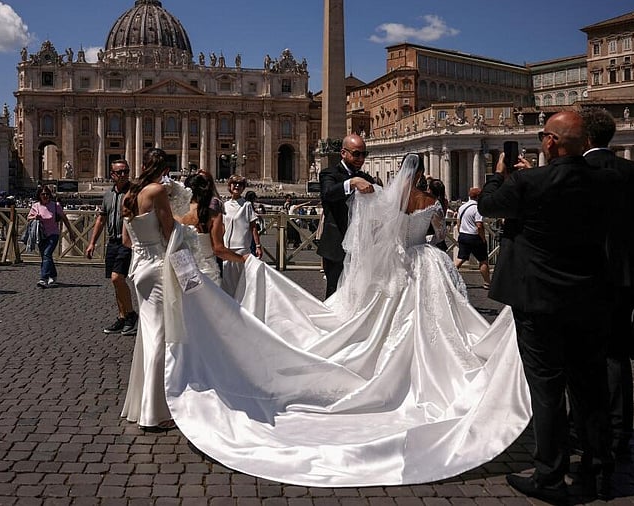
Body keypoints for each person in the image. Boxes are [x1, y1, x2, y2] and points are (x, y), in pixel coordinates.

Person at [158, 153, 529, 487]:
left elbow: (378, 236)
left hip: (400, 268)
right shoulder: (432, 202)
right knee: (441, 327)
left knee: (393, 325)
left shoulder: (391, 201)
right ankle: (432, 370)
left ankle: (394, 365)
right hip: (429, 264)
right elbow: (439, 236)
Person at [478, 111, 613, 503]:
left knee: (548, 389)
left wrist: (497, 173)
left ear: (551, 143)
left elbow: (489, 205)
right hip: (590, 297)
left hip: (539, 300)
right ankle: (599, 471)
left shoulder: (529, 181)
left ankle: (550, 476)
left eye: (543, 136)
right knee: (591, 388)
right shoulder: (607, 182)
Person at [581, 108, 634, 463]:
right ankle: (619, 432)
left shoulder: (573, 171)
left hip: (580, 278)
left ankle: (582, 429)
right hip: (625, 277)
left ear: (584, 136)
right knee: (616, 356)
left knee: (577, 356)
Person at [120, 148, 177, 431]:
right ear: (164, 169)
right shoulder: (157, 191)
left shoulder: (130, 195)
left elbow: (126, 240)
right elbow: (170, 231)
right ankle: (154, 413)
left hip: (138, 268)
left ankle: (141, 404)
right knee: (159, 336)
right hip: (155, 266)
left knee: (147, 334)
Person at [316, 133, 375, 297]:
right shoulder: (329, 174)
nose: (361, 158)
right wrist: (352, 182)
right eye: (356, 154)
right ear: (343, 153)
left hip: (361, 247)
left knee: (359, 294)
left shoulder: (366, 178)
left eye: (364, 154)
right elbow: (328, 193)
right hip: (336, 245)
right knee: (334, 293)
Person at [86, 159, 138, 336]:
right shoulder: (108, 195)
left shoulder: (134, 193)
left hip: (128, 242)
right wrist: (92, 242)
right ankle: (122, 316)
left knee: (118, 278)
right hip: (112, 241)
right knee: (115, 283)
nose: (123, 175)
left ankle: (131, 315)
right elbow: (101, 219)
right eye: (120, 172)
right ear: (112, 175)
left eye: (126, 171)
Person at [179, 171, 248, 285]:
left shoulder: (176, 213)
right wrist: (242, 259)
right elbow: (218, 249)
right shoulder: (212, 213)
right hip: (207, 268)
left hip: (183, 268)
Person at [27, 186, 76, 288]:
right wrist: (35, 217)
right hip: (40, 235)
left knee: (46, 254)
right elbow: (28, 218)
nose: (45, 196)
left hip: (53, 234)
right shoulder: (35, 206)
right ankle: (53, 275)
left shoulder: (55, 206)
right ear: (39, 196)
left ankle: (43, 278)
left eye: (47, 194)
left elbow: (65, 219)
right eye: (43, 194)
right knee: (46, 256)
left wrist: (71, 232)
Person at [221, 175, 261, 296]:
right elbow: (222, 227)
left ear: (243, 188)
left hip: (242, 248)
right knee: (227, 283)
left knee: (242, 282)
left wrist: (258, 245)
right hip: (227, 248)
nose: (237, 186)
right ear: (229, 186)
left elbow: (253, 227)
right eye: (234, 183)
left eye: (240, 184)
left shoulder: (247, 205)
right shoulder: (224, 205)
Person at [453, 187, 491, 289]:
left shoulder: (462, 207)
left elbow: (458, 222)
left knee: (460, 259)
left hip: (463, 235)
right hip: (475, 237)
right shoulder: (477, 208)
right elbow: (479, 225)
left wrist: (461, 232)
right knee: (483, 260)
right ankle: (487, 282)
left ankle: (449, 277)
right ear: (478, 197)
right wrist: (483, 238)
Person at [427, 178, 449, 251]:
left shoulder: (430, 203)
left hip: (429, 236)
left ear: (430, 190)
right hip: (439, 238)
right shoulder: (444, 202)